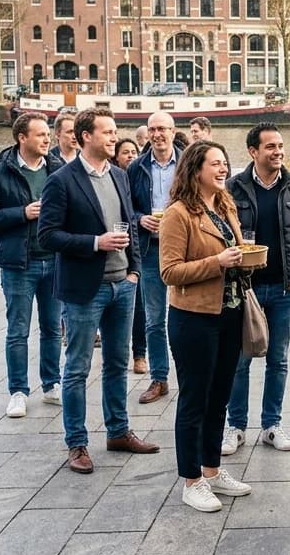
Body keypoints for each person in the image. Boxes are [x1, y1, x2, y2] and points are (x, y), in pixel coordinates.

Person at [37, 107, 159, 473]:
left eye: (114, 131)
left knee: (118, 364)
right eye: (107, 132)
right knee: (77, 368)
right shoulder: (61, 180)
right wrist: (95, 242)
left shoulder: (120, 175)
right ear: (85, 136)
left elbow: (130, 225)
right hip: (84, 289)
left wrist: (134, 271)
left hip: (123, 285)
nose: (114, 137)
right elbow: (47, 235)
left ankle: (118, 431)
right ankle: (76, 443)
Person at [158, 140, 255, 512]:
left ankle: (212, 471)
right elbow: (169, 272)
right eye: (215, 163)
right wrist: (218, 262)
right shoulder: (178, 214)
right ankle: (191, 481)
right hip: (194, 318)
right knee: (194, 400)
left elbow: (234, 253)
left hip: (230, 313)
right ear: (195, 169)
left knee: (219, 398)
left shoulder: (225, 204)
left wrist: (247, 259)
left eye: (224, 163)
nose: (223, 168)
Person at [223, 122, 290, 455]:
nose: (278, 152)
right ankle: (235, 426)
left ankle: (272, 425)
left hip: (283, 288)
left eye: (280, 146)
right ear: (253, 151)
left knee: (278, 359)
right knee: (240, 360)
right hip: (245, 289)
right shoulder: (232, 188)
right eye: (271, 147)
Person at [0, 112, 65, 419]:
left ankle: (51, 384)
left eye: (48, 134)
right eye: (40, 135)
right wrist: (22, 213)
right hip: (18, 264)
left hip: (53, 259)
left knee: (53, 328)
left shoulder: (58, 168)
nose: (47, 139)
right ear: (22, 138)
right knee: (18, 330)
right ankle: (18, 391)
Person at [129, 112, 186, 405]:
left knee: (187, 314)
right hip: (150, 250)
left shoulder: (188, 163)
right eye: (152, 129)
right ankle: (159, 378)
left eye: (162, 128)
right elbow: (127, 206)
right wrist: (141, 219)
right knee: (153, 318)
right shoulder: (136, 167)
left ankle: (188, 377)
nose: (157, 134)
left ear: (173, 132)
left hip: (184, 249)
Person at [112, 138, 148, 373]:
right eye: (125, 152)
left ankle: (139, 354)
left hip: (135, 249)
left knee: (140, 306)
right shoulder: (113, 177)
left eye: (134, 151)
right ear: (116, 157)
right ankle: (117, 353)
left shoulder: (134, 176)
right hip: (112, 253)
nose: (131, 156)